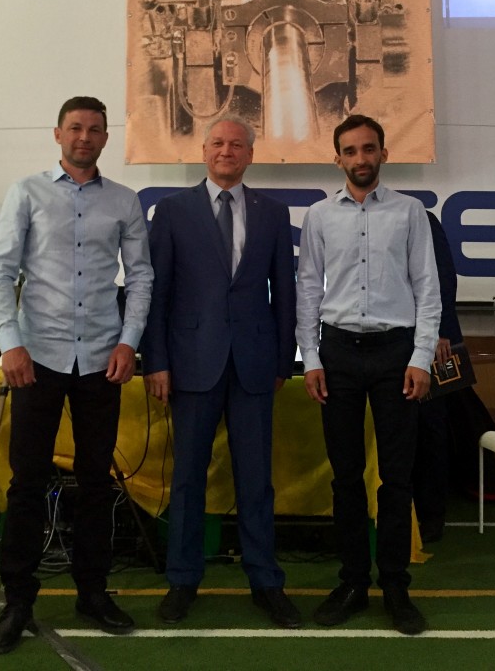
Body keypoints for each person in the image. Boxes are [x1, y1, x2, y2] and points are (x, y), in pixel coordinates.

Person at [0, 96, 153, 655]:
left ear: (106, 137)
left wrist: (129, 341)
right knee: (27, 482)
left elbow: (141, 277)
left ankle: (93, 592)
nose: (85, 136)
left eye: (95, 129)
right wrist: (11, 343)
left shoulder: (124, 201)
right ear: (57, 133)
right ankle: (18, 600)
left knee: (98, 482)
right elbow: (0, 271)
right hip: (37, 358)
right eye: (75, 127)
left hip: (102, 359)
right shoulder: (26, 192)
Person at [141, 116, 301, 629]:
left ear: (250, 154)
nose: (226, 151)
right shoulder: (171, 210)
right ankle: (183, 580)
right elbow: (157, 292)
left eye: (236, 144)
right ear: (203, 151)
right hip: (190, 363)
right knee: (188, 478)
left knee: (256, 481)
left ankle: (266, 582)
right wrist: (156, 360)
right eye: (217, 143)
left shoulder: (273, 212)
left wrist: (284, 359)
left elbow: (285, 293)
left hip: (255, 365)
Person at [296, 114, 441, 636]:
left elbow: (427, 288)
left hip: (395, 355)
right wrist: (311, 358)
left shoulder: (410, 213)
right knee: (346, 477)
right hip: (337, 354)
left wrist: (421, 357)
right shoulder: (318, 216)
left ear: (383, 153)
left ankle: (396, 586)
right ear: (337, 158)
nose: (361, 158)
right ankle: (354, 582)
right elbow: (308, 289)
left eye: (369, 148)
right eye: (351, 150)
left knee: (396, 479)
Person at [413, 210, 465, 544]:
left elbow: (443, 276)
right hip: (401, 341)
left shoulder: (422, 218)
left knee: (432, 426)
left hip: (437, 345)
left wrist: (441, 333)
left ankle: (432, 515)